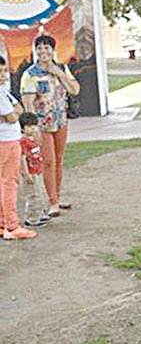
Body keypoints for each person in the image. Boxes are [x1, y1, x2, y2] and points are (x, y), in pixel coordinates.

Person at [20, 34, 80, 217]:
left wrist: (59, 73)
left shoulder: (61, 68)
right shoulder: (30, 74)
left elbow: (75, 90)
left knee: (59, 159)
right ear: (35, 51)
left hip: (60, 120)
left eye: (47, 48)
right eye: (39, 48)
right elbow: (27, 102)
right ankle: (52, 201)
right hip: (42, 123)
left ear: (53, 50)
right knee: (48, 161)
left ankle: (57, 196)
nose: (43, 51)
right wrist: (32, 128)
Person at [0, 56, 37, 240]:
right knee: (9, 182)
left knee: (3, 182)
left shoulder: (4, 91)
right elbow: (12, 116)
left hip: (7, 140)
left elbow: (19, 110)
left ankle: (3, 222)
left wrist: (12, 113)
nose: (3, 76)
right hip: (6, 141)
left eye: (3, 71)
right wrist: (11, 114)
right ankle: (12, 226)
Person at [19, 112, 50, 228]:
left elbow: (39, 145)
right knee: (33, 195)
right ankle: (32, 218)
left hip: (37, 170)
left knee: (41, 192)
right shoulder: (23, 141)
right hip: (30, 172)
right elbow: (22, 157)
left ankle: (41, 213)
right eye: (29, 126)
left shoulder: (32, 139)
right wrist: (26, 173)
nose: (32, 128)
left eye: (34, 126)